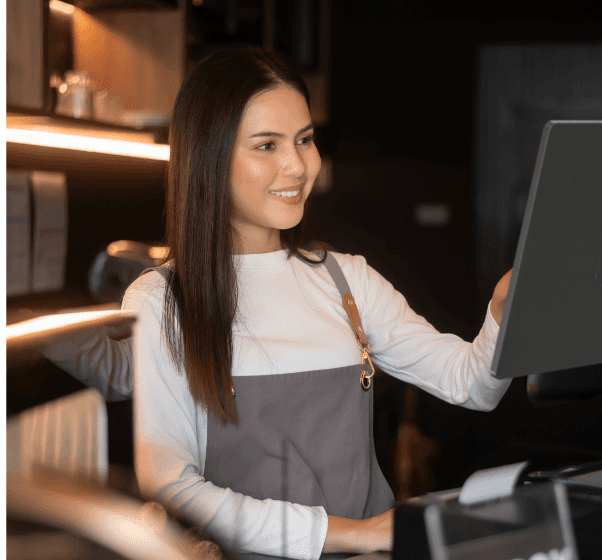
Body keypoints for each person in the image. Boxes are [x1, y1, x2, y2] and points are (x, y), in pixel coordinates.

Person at [120, 46, 513, 560]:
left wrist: (506, 311)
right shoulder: (160, 302)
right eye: (266, 145)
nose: (298, 165)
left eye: (305, 140)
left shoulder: (346, 279)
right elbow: (172, 489)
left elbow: (473, 385)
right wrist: (358, 533)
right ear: (208, 158)